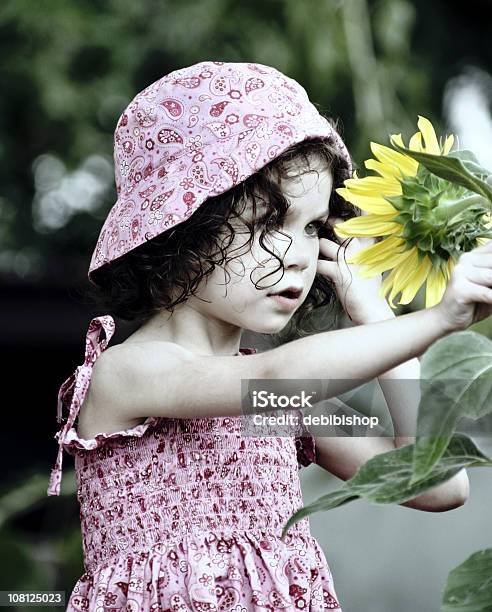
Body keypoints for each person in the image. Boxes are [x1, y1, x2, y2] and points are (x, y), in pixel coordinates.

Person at [47, 61, 491, 611]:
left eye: (311, 226)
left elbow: (436, 484)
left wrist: (377, 315)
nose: (299, 254)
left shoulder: (279, 409)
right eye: (265, 222)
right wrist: (434, 320)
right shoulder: (128, 374)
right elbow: (272, 377)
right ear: (183, 225)